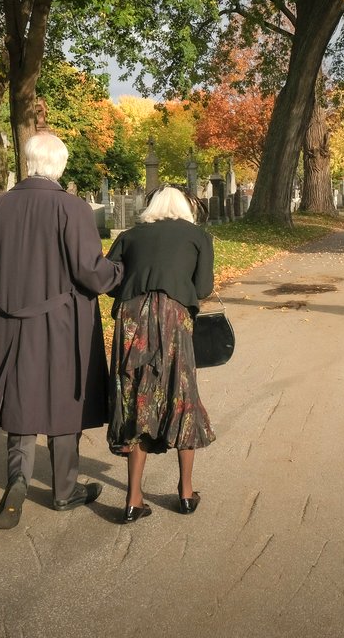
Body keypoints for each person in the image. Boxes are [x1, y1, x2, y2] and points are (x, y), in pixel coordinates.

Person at [0, 132, 122, 529]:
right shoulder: (72, 208)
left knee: (19, 399)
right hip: (62, 321)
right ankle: (64, 490)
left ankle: (17, 480)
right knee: (63, 401)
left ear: (28, 162)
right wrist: (120, 273)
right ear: (59, 166)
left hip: (8, 322)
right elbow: (91, 272)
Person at [106, 186, 216, 523]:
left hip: (131, 319)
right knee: (181, 395)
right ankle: (185, 493)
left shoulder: (130, 236)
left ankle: (132, 499)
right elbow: (203, 288)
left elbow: (110, 279)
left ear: (150, 206)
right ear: (185, 207)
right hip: (173, 316)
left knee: (135, 397)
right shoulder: (198, 236)